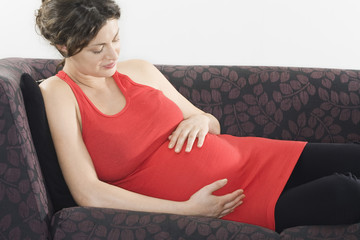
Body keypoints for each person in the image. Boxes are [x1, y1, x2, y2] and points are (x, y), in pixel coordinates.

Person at [36, 0, 360, 233]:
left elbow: (210, 122)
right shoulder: (58, 93)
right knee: (343, 192)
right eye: (98, 49)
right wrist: (189, 211)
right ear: (64, 46)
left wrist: (199, 119)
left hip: (255, 158)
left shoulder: (138, 70)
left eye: (116, 39)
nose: (113, 54)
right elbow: (88, 192)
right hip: (228, 202)